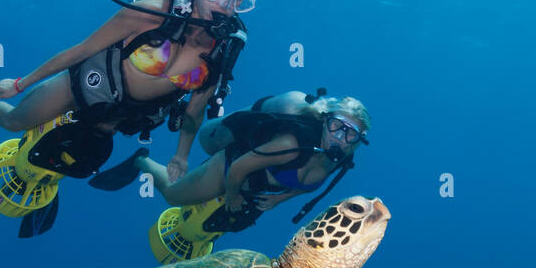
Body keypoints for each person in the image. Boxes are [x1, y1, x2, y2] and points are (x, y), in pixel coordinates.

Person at [0, 0, 259, 185]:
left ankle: (44, 170)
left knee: (81, 157)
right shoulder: (153, 12)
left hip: (127, 113)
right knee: (15, 121)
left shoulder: (223, 49)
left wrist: (181, 156)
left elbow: (194, 112)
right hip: (85, 86)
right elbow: (84, 49)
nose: (228, 2)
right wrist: (20, 83)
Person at [140, 90, 371, 231]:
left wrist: (279, 199)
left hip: (259, 183)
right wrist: (232, 195)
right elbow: (240, 167)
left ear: (357, 141)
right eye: (336, 126)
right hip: (231, 167)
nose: (340, 138)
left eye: (350, 134)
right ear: (324, 120)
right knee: (172, 196)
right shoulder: (291, 145)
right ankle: (141, 161)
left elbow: (309, 186)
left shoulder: (341, 156)